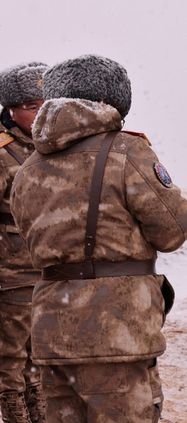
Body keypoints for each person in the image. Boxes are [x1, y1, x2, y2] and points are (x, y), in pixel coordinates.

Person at [10, 54, 187, 423]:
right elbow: (173, 230)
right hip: (117, 331)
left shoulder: (28, 165)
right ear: (112, 102)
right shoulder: (127, 151)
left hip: (51, 332)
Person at [0, 62, 49, 423]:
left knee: (42, 356)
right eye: (31, 106)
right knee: (11, 358)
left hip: (50, 272)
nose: (39, 113)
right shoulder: (2, 152)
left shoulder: (55, 147)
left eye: (46, 104)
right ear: (11, 109)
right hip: (12, 274)